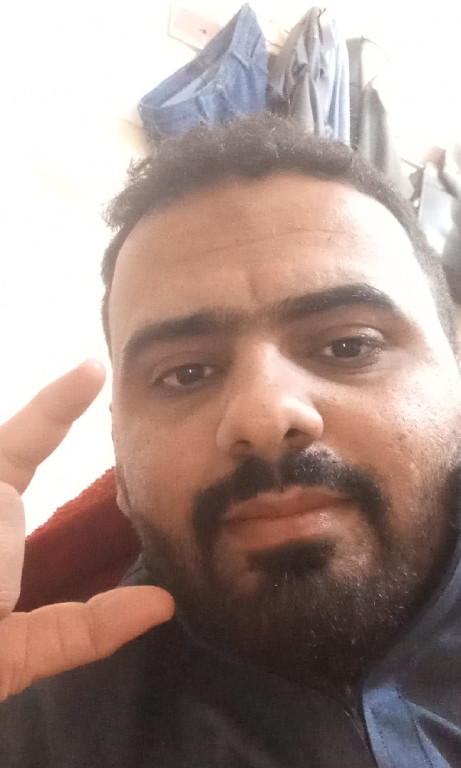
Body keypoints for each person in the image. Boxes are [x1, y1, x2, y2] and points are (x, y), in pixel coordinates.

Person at [0, 114, 461, 767]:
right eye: (186, 373)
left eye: (348, 345)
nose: (264, 415)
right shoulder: (35, 730)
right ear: (121, 468)